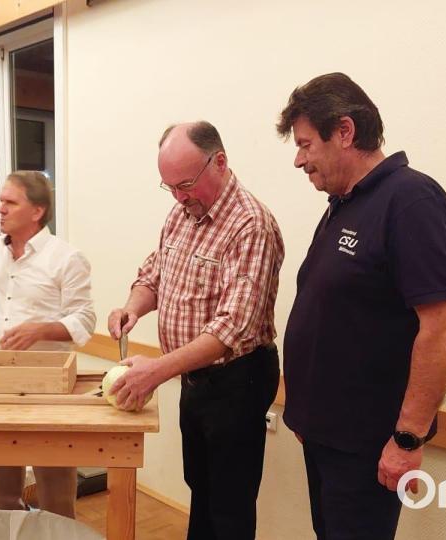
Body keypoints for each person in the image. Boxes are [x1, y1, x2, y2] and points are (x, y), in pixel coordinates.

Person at [276, 72, 446, 539]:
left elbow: (443, 328)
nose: (299, 160)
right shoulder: (343, 204)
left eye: (305, 145)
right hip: (325, 438)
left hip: (367, 448)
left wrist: (407, 438)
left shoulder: (411, 201)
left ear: (344, 131)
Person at [107, 121, 284, 540]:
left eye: (185, 184)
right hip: (194, 378)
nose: (179, 197)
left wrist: (157, 370)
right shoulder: (183, 212)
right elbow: (154, 275)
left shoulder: (250, 225)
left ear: (219, 162)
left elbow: (230, 329)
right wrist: (132, 307)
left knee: (229, 503)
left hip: (238, 380)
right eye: (169, 187)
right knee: (200, 489)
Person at [0, 171, 95, 518]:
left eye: (10, 202)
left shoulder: (66, 257)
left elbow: (85, 320)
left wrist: (40, 331)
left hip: (48, 388)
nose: (0, 209)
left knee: (56, 497)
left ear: (37, 211)